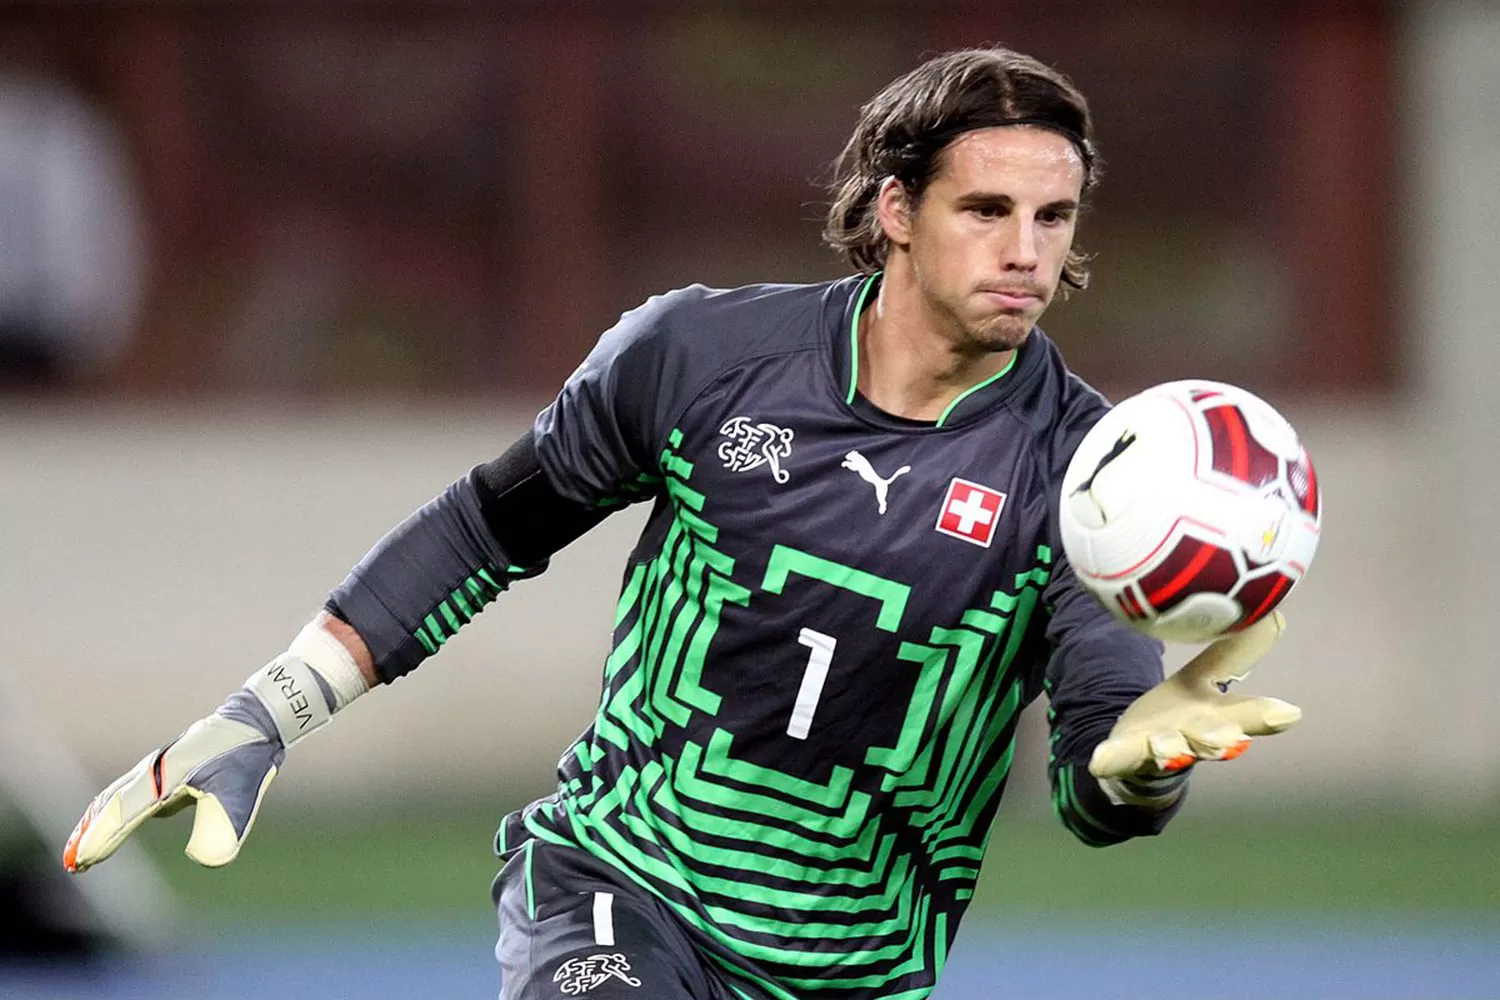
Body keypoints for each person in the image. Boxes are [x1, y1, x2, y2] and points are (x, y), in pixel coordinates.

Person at [63, 47, 1300, 1000]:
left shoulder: (1090, 477)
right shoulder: (701, 356)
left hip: (854, 966)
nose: (1027, 251)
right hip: (622, 884)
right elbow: (489, 528)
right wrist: (267, 713)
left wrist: (1143, 767)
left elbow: (1098, 765)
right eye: (988, 210)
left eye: (1055, 218)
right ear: (897, 210)